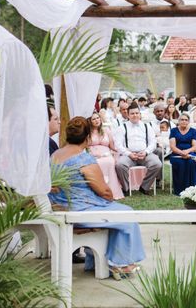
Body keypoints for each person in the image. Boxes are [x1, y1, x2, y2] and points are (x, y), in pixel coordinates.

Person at [49, 117, 145, 278]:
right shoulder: (84, 158)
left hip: (59, 206)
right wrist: (108, 198)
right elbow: (104, 192)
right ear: (87, 138)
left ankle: (98, 261)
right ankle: (120, 264)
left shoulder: (56, 154)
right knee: (127, 214)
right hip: (79, 211)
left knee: (117, 213)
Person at [115, 102, 162, 196]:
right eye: (132, 113)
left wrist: (146, 152)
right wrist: (128, 154)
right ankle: (126, 188)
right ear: (128, 115)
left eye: (137, 113)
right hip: (129, 155)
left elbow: (153, 142)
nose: (135, 115)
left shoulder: (146, 126)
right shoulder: (122, 127)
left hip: (144, 154)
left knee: (157, 164)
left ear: (140, 114)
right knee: (120, 165)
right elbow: (118, 144)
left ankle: (144, 187)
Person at [88, 112, 123, 200]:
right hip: (93, 154)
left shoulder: (106, 130)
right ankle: (99, 192)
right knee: (98, 163)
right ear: (90, 121)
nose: (96, 120)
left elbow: (112, 146)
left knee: (110, 162)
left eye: (98, 118)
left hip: (107, 154)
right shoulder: (87, 132)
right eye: (94, 119)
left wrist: (120, 150)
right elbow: (85, 146)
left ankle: (112, 191)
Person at [168, 113, 196, 195]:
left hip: (190, 153)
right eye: (182, 119)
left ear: (189, 121)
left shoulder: (193, 131)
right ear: (178, 121)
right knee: (180, 163)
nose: (184, 121)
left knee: (191, 162)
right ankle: (180, 190)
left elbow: (194, 146)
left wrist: (187, 152)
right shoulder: (173, 131)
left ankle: (193, 188)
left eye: (186, 120)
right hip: (176, 153)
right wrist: (181, 153)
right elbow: (172, 146)